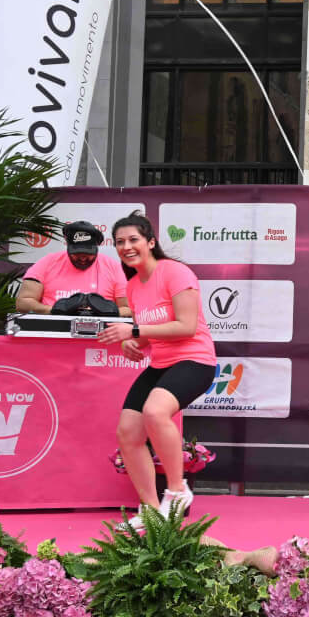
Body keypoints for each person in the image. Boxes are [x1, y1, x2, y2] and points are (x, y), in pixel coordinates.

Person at [98, 213, 218, 528]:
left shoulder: (175, 272)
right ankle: (151, 513)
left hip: (196, 360)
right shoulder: (133, 285)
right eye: (120, 242)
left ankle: (177, 491)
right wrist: (134, 342)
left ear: (151, 242)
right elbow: (151, 333)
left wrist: (134, 330)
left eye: (133, 239)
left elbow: (186, 326)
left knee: (155, 411)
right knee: (128, 433)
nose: (126, 247)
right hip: (161, 363)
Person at [16, 220, 130, 315]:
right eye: (77, 254)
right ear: (68, 247)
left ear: (96, 248)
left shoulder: (114, 267)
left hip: (105, 333)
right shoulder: (47, 263)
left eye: (88, 254)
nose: (82, 259)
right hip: (53, 330)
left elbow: (129, 309)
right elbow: (22, 303)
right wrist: (53, 310)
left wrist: (108, 311)